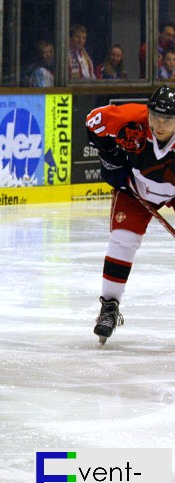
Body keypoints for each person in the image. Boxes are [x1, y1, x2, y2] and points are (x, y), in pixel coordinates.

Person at [86, 85, 175, 345]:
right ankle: (109, 308)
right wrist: (110, 158)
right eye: (155, 117)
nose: (159, 125)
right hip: (135, 189)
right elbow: (94, 121)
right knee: (122, 241)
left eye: (167, 120)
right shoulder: (133, 121)